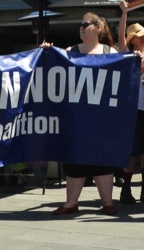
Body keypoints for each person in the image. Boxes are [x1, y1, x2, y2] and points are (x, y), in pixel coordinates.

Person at [48, 12, 121, 216]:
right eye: (80, 25)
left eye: (85, 24)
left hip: (102, 119)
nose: (81, 27)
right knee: (75, 161)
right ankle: (71, 203)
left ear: (98, 28)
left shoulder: (110, 51)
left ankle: (107, 203)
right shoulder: (70, 51)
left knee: (103, 162)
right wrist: (47, 52)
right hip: (76, 118)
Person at [116, 1, 144, 205]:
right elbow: (120, 39)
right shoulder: (127, 56)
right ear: (133, 40)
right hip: (133, 109)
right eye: (140, 36)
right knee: (132, 152)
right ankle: (126, 188)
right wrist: (124, 13)